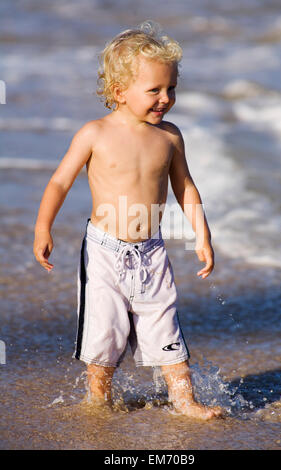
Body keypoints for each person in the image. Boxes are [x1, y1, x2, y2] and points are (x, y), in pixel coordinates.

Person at [33, 21, 222, 420]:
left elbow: (186, 187)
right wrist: (43, 227)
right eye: (154, 90)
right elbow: (59, 181)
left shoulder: (170, 137)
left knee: (165, 324)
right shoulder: (94, 133)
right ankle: (98, 402)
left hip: (151, 252)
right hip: (104, 253)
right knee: (104, 334)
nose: (165, 98)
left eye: (171, 88)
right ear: (119, 92)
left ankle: (185, 401)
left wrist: (201, 235)